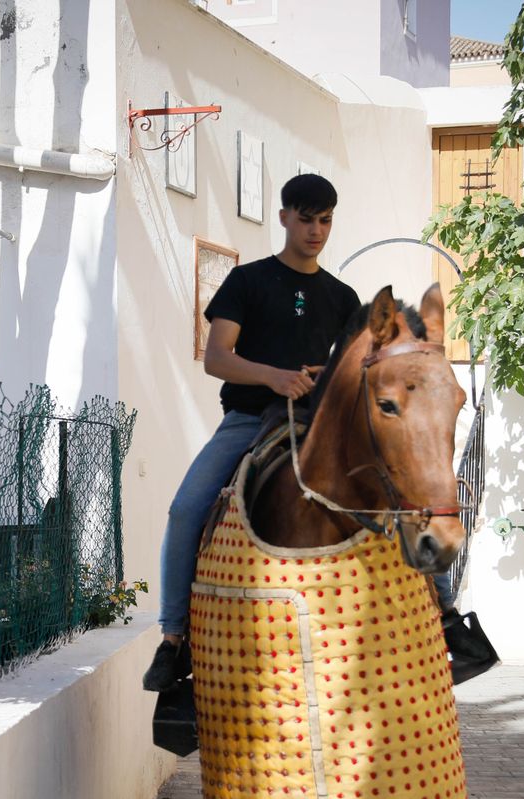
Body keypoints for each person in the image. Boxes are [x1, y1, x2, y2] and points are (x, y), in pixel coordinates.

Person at [144, 173, 361, 692]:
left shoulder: (341, 295)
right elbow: (217, 359)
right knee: (185, 508)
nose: (315, 230)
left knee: (403, 490)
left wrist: (327, 381)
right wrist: (273, 375)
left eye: (325, 220)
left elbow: (355, 370)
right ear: (283, 216)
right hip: (248, 421)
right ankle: (173, 640)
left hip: (316, 423)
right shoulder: (247, 282)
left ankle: (441, 610)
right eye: (305, 219)